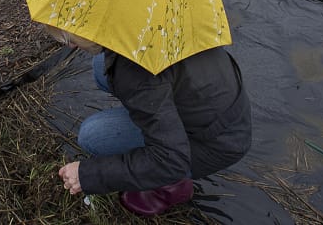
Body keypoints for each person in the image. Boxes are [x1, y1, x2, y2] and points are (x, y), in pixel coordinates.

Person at [47, 25, 252, 217]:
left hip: (214, 142)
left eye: (68, 38)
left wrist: (88, 175)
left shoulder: (134, 69)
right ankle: (155, 123)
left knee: (92, 136)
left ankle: (172, 187)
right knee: (102, 66)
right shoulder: (153, 12)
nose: (72, 45)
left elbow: (171, 160)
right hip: (214, 101)